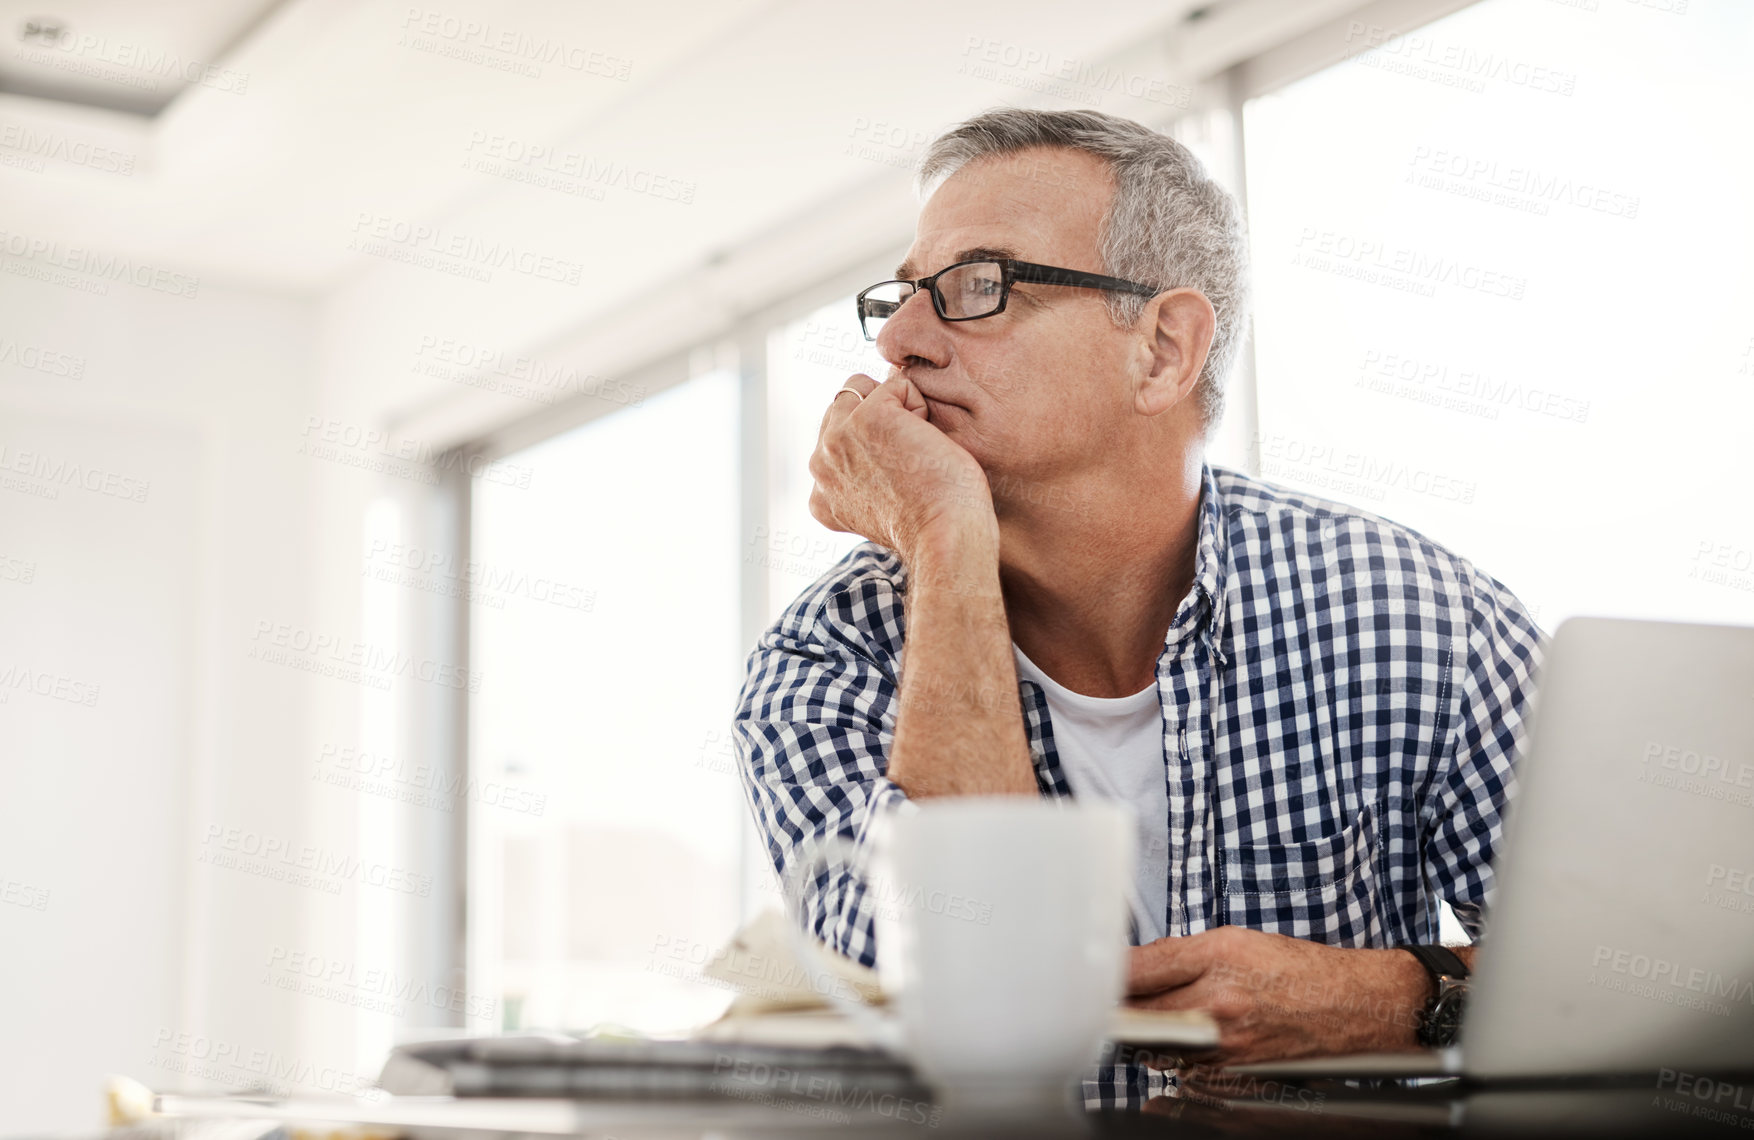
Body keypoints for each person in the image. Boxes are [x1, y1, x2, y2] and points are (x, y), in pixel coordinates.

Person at [730, 107, 1543, 1107]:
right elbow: (974, 1023)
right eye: (900, 297)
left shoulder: (1418, 617)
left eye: (976, 286)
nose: (898, 340)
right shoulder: (822, 663)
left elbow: (1647, 992)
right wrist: (945, 539)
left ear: (1161, 349)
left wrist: (1397, 997)